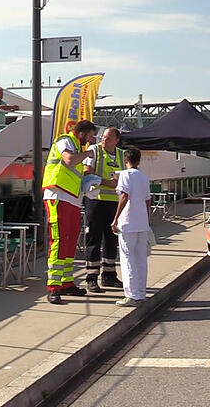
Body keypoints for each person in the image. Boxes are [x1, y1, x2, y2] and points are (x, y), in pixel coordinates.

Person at [42, 120, 98, 305]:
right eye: (90, 135)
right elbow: (69, 160)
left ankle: (66, 283)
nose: (91, 140)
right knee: (58, 240)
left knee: (70, 241)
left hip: (72, 199)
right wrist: (87, 154)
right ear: (81, 133)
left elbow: (74, 171)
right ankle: (53, 287)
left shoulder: (75, 146)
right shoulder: (65, 141)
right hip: (57, 196)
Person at [82, 127, 126, 293]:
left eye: (108, 138)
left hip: (115, 202)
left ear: (116, 140)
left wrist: (110, 182)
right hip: (96, 200)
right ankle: (91, 277)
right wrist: (107, 182)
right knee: (94, 237)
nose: (103, 140)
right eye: (103, 137)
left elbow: (125, 177)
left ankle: (109, 275)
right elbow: (88, 172)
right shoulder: (94, 150)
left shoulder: (122, 155)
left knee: (111, 240)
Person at [111, 147, 152, 307]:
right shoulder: (143, 176)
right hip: (142, 223)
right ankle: (141, 293)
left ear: (125, 160)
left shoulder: (125, 175)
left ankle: (131, 295)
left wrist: (115, 219)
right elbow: (148, 200)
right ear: (139, 160)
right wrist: (146, 218)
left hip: (128, 222)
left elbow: (124, 196)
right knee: (141, 258)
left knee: (127, 258)